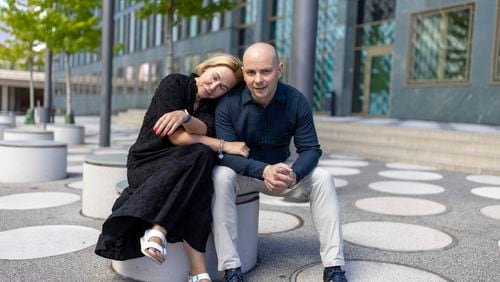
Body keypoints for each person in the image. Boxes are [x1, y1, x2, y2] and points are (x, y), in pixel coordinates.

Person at [95, 54, 250, 282]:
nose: (214, 86)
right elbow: (178, 137)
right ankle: (193, 266)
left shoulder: (210, 105)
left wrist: (185, 116)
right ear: (206, 68)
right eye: (215, 77)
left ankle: (161, 235)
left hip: (182, 165)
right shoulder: (175, 83)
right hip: (147, 161)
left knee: (200, 173)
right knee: (201, 160)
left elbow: (203, 129)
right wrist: (225, 146)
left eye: (222, 87)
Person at [212, 43, 347, 282]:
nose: (258, 80)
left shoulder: (296, 101)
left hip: (284, 172)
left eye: (265, 71)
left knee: (323, 178)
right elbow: (227, 154)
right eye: (251, 72)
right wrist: (263, 170)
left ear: (279, 69)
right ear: (243, 72)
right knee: (220, 176)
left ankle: (334, 268)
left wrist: (293, 174)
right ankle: (231, 269)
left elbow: (311, 149)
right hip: (246, 173)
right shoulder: (228, 103)